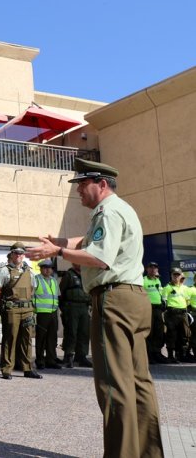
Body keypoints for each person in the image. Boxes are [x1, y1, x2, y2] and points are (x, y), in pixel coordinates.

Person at [26, 157, 163, 457]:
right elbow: (86, 240)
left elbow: (99, 257)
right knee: (139, 383)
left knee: (114, 385)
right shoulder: (121, 209)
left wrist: (59, 251)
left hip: (113, 300)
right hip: (134, 299)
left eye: (82, 185)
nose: (78, 192)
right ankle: (148, 453)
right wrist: (58, 240)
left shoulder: (106, 212)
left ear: (101, 185)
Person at [0, 242, 42, 380]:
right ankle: (7, 369)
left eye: (21, 253)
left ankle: (27, 368)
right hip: (12, 309)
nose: (19, 256)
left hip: (27, 309)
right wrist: (1, 304)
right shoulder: (5, 270)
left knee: (27, 339)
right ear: (12, 254)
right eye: (16, 253)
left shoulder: (29, 271)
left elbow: (32, 289)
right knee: (10, 338)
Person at [59, 263, 92, 368]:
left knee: (84, 332)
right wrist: (64, 308)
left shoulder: (86, 275)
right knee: (71, 332)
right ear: (74, 263)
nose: (80, 264)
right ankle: (68, 356)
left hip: (84, 307)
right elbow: (61, 292)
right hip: (71, 306)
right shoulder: (68, 275)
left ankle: (81, 356)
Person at [33, 260, 61, 369]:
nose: (48, 270)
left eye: (50, 268)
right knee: (41, 338)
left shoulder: (54, 280)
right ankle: (39, 360)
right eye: (45, 267)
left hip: (53, 312)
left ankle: (51, 360)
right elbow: (32, 295)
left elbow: (57, 296)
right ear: (41, 269)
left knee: (52, 338)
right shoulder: (36, 279)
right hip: (41, 313)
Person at [161, 268, 191, 364]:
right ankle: (170, 356)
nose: (176, 277)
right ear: (171, 275)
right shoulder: (167, 288)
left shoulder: (185, 288)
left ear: (181, 276)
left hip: (182, 314)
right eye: (174, 275)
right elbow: (164, 301)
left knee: (184, 335)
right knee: (171, 335)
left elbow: (188, 300)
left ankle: (181, 355)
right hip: (172, 314)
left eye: (178, 275)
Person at [143, 262, 167, 364]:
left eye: (155, 268)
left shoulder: (158, 280)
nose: (153, 269)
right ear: (147, 269)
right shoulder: (143, 280)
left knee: (159, 331)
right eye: (151, 267)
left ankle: (157, 352)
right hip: (148, 309)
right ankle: (149, 354)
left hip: (158, 309)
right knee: (150, 332)